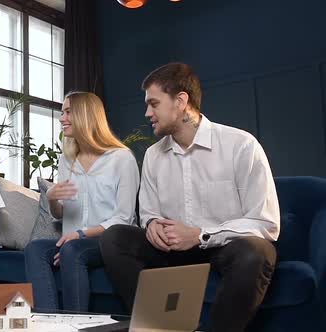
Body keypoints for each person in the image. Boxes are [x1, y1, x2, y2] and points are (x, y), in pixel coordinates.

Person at [100, 63, 280, 332]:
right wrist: (152, 226)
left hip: (222, 248)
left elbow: (265, 224)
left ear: (181, 101)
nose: (147, 113)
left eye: (153, 103)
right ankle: (161, 326)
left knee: (258, 252)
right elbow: (149, 213)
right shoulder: (153, 155)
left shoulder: (241, 145)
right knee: (114, 237)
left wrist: (199, 235)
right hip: (171, 251)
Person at [24, 91, 140, 313]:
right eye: (61, 112)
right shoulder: (67, 160)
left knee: (72, 251)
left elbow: (123, 218)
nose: (61, 118)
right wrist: (52, 199)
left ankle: (76, 324)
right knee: (34, 249)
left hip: (108, 242)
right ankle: (51, 323)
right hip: (72, 239)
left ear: (86, 116)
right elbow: (60, 214)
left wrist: (81, 235)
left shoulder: (121, 158)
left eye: (68, 112)